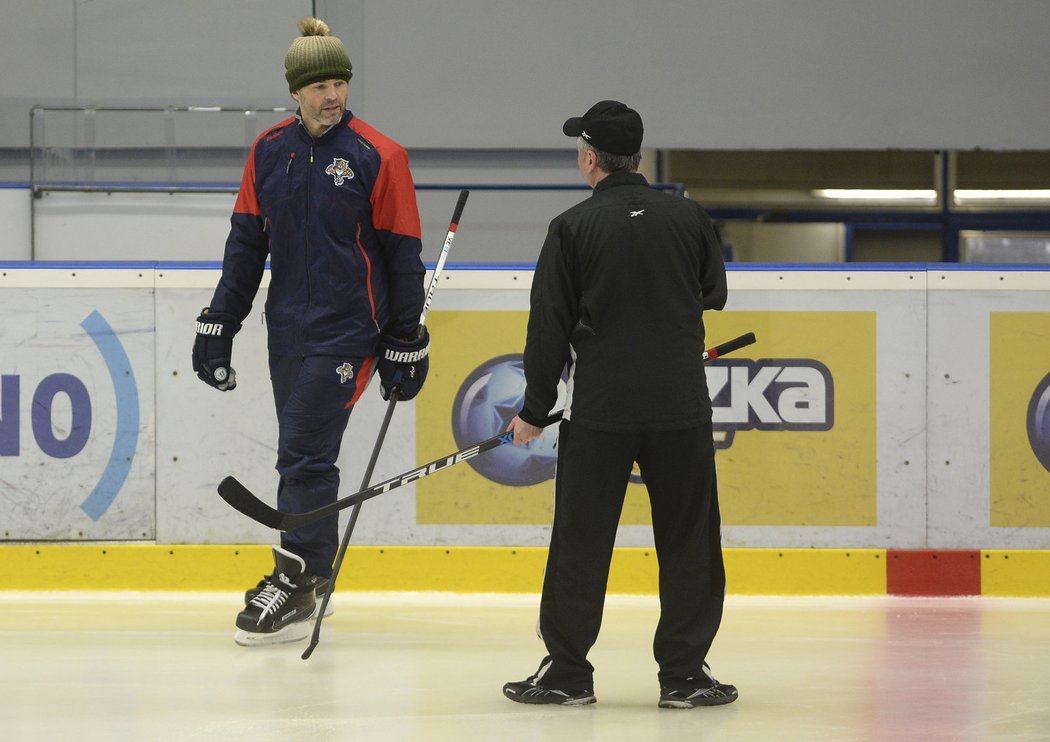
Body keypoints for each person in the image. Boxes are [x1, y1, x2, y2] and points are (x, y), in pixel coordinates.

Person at [191, 17, 430, 646]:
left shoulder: (380, 155)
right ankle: (311, 573)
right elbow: (246, 246)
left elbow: (404, 254)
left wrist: (407, 337)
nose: (333, 95)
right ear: (295, 91)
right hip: (287, 331)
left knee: (301, 447)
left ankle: (297, 577)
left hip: (351, 333)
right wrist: (220, 320)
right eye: (320, 84)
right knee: (306, 454)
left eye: (341, 82)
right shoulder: (269, 151)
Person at [502, 101, 736, 708]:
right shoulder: (689, 218)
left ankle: (567, 674)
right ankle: (685, 675)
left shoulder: (571, 227)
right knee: (689, 541)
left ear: (588, 158)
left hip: (601, 412)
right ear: (634, 156)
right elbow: (714, 292)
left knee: (581, 541)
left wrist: (533, 408)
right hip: (680, 409)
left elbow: (547, 328)